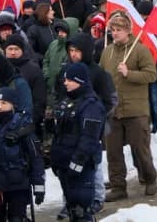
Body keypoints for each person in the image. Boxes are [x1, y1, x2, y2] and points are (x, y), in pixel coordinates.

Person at [98, 12, 157, 202]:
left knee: (140, 149)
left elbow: (151, 75)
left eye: (118, 30)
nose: (114, 33)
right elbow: (101, 77)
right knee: (113, 152)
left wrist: (129, 73)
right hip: (113, 111)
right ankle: (118, 186)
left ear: (127, 31)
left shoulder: (139, 50)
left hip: (136, 110)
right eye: (112, 30)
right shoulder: (107, 51)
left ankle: (149, 178)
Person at [49, 63, 105, 222]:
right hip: (64, 164)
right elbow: (59, 133)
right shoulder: (67, 101)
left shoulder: (91, 105)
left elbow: (89, 138)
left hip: (81, 167)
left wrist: (77, 163)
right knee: (73, 208)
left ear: (80, 81)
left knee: (81, 209)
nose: (65, 82)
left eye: (69, 79)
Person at [0, 88, 46, 222]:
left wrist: (39, 186)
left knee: (17, 218)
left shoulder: (22, 126)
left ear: (13, 105)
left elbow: (35, 157)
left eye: (4, 103)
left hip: (17, 183)